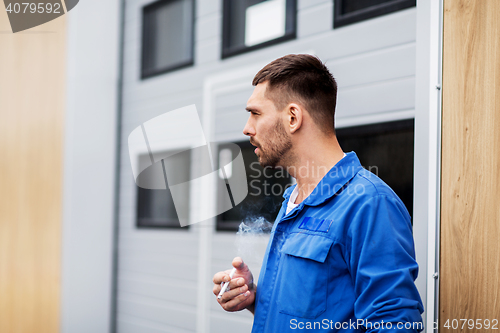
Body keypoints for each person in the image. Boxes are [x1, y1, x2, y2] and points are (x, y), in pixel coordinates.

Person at [212, 54, 424, 332]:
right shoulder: (293, 199)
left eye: (255, 113)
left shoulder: (369, 204)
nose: (247, 128)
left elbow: (394, 325)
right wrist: (254, 298)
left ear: (292, 117)